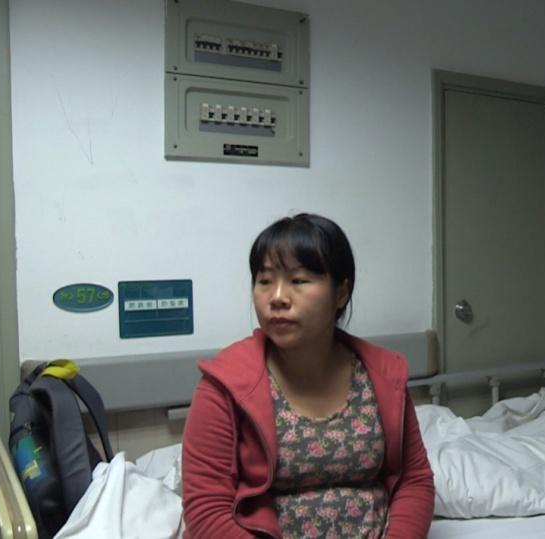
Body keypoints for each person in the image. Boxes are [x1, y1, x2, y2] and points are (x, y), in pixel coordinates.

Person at [182, 213, 434, 538]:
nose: (277, 297)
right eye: (265, 281)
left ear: (341, 293)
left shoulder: (382, 376)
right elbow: (206, 511)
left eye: (298, 280)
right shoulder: (225, 385)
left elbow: (414, 480)